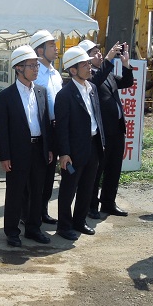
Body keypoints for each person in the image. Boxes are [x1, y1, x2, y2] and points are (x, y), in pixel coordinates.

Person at [0, 45, 54, 247]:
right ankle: (12, 231)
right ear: (18, 68)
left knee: (38, 190)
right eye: (32, 65)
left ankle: (33, 228)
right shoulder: (6, 97)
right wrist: (5, 156)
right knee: (15, 191)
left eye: (37, 65)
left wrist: (49, 148)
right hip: (18, 151)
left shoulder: (41, 91)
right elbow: (2, 129)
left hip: (39, 149)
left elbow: (45, 122)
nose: (36, 69)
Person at [54, 46, 105, 241]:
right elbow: (62, 128)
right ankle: (64, 225)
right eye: (84, 65)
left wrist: (102, 141)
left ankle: (80, 221)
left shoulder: (91, 88)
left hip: (93, 145)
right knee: (69, 188)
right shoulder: (64, 95)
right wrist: (64, 153)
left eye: (88, 63)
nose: (89, 67)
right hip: (74, 150)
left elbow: (96, 116)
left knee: (88, 185)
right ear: (73, 70)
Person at [81, 40, 134, 219]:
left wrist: (126, 64)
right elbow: (95, 84)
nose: (99, 54)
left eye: (99, 51)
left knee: (114, 168)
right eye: (94, 52)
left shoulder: (107, 72)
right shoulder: (87, 77)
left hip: (116, 129)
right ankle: (91, 205)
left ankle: (108, 202)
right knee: (97, 171)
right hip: (101, 132)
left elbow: (126, 82)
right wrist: (109, 60)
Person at [31, 29, 63, 224]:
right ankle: (29, 213)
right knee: (36, 174)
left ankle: (42, 210)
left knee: (50, 172)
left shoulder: (55, 73)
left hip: (55, 128)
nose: (56, 49)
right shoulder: (35, 74)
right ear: (40, 50)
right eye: (51, 45)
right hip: (40, 129)